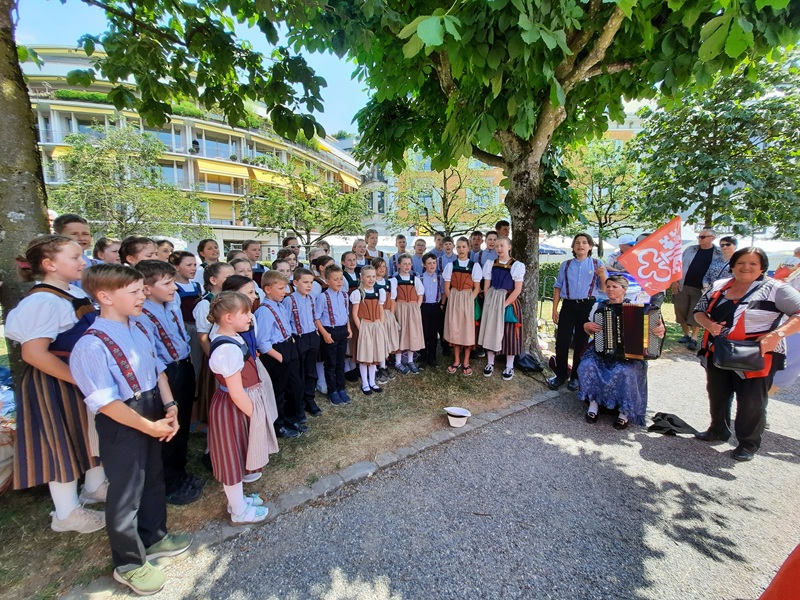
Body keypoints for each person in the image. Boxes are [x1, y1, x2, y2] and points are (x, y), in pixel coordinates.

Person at [70, 264, 192, 595]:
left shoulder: (138, 327)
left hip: (153, 407)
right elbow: (107, 404)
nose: (144, 295)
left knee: (153, 476)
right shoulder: (91, 346)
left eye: (143, 289)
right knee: (126, 491)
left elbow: (157, 370)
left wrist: (170, 406)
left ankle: (154, 536)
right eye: (135, 292)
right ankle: (128, 563)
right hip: (124, 418)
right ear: (105, 296)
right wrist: (148, 426)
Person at [5, 235, 107, 533]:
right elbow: (34, 353)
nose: (83, 262)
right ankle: (66, 513)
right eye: (74, 257)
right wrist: (78, 379)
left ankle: (95, 485)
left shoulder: (71, 294)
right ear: (49, 264)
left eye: (82, 256)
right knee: (60, 441)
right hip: (55, 382)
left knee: (89, 434)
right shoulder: (43, 302)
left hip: (78, 377)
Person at [693, 247, 800, 461]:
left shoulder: (775, 288)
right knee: (718, 393)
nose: (746, 267)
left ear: (763, 267)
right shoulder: (719, 286)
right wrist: (710, 326)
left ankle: (748, 443)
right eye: (741, 262)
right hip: (719, 351)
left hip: (756, 354)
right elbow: (698, 311)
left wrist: (777, 334)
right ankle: (718, 430)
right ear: (733, 265)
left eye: (753, 263)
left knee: (751, 400)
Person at [134, 260, 202, 505]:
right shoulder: (141, 315)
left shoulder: (170, 303)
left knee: (181, 423)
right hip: (164, 374)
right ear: (147, 288)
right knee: (169, 427)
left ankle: (180, 472)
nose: (174, 288)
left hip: (182, 365)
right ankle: (168, 483)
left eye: (173, 282)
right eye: (167, 283)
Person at [206, 291, 274, 525]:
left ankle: (239, 500)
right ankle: (238, 510)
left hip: (238, 405)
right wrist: (255, 416)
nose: (250, 317)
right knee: (232, 458)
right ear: (227, 317)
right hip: (235, 408)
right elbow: (235, 391)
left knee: (239, 453)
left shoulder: (233, 338)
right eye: (244, 312)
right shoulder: (228, 349)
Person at [578, 275, 666, 428]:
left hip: (630, 355)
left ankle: (624, 412)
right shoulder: (598, 307)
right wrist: (587, 326)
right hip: (601, 349)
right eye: (609, 286)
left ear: (624, 290)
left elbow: (656, 328)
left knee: (626, 371)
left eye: (614, 287)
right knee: (587, 365)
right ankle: (593, 405)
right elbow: (586, 325)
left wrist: (660, 329)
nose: (610, 290)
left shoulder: (639, 308)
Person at [548, 233, 607, 391]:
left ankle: (575, 376)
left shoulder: (597, 264)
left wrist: (602, 275)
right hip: (568, 305)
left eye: (584, 242)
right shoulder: (566, 265)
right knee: (562, 341)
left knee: (581, 342)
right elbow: (558, 287)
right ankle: (560, 374)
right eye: (577, 243)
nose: (580, 245)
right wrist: (554, 309)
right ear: (573, 247)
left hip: (587, 306)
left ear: (590, 246)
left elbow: (604, 289)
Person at [255, 270, 306, 438]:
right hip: (275, 353)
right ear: (268, 289)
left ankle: (291, 417)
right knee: (278, 391)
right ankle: (278, 426)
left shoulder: (279, 305)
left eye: (285, 288)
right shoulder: (263, 311)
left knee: (295, 386)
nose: (285, 291)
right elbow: (262, 342)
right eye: (281, 288)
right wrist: (280, 357)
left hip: (287, 347)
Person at [478, 236, 525, 380]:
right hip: (492, 299)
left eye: (502, 246)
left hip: (508, 300)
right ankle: (490, 362)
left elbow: (517, 289)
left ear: (509, 247)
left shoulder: (517, 265)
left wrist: (504, 304)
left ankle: (509, 365)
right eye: (497, 246)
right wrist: (488, 301)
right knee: (490, 330)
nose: (499, 248)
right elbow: (486, 284)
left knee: (509, 332)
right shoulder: (490, 263)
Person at [193, 262, 235, 425]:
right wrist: (214, 359)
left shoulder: (229, 298)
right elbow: (203, 336)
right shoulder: (205, 304)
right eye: (228, 277)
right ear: (213, 280)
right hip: (217, 357)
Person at [672, 229, 723, 351]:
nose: (700, 239)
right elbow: (677, 265)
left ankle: (694, 338)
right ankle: (686, 335)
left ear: (712, 238)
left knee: (696, 313)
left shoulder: (718, 253)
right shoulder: (690, 249)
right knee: (680, 311)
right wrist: (674, 281)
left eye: (703, 237)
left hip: (702, 289)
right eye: (699, 236)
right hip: (683, 285)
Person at [284, 268, 323, 417]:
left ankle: (310, 399)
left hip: (312, 337)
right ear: (295, 283)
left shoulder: (311, 298)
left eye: (311, 282)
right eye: (305, 282)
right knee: (299, 373)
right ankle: (299, 404)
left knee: (311, 371)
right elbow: (286, 322)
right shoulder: (289, 300)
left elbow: (314, 317)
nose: (309, 286)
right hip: (298, 338)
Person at [314, 265, 353, 406]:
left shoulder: (344, 295)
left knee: (340, 362)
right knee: (330, 363)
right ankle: (332, 391)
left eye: (341, 279)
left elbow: (346, 314)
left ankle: (341, 388)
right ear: (327, 280)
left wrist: (349, 328)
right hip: (330, 332)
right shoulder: (322, 297)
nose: (339, 282)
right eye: (335, 279)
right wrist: (325, 334)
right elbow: (316, 318)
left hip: (342, 330)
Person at [443, 237, 483, 376]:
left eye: (463, 247)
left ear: (468, 248)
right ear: (456, 249)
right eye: (458, 247)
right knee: (455, 329)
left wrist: (468, 300)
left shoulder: (474, 266)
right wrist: (452, 300)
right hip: (454, 299)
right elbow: (447, 287)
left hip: (467, 298)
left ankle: (466, 361)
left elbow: (477, 288)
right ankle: (456, 360)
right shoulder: (450, 265)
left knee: (466, 331)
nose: (461, 249)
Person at [350, 265, 389, 394]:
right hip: (365, 326)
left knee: (374, 355)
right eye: (368, 276)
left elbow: (381, 311)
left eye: (373, 276)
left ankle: (373, 382)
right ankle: (365, 383)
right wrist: (361, 328)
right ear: (362, 278)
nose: (371, 279)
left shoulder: (379, 292)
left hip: (376, 325)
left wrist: (381, 325)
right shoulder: (358, 293)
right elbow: (354, 314)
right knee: (365, 356)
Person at [391, 253, 425, 374]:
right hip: (400, 308)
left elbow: (420, 295)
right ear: (399, 265)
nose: (407, 266)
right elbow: (393, 299)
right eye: (404, 264)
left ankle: (410, 360)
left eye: (409, 264)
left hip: (413, 308)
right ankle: (398, 362)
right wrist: (394, 312)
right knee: (401, 335)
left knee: (412, 334)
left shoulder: (415, 279)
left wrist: (416, 307)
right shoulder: (394, 280)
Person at [373, 257, 399, 384]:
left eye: (383, 266)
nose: (382, 269)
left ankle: (384, 366)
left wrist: (392, 316)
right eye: (378, 267)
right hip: (376, 316)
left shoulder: (389, 283)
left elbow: (392, 301)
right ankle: (377, 368)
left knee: (386, 341)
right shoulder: (372, 283)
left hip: (387, 314)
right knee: (378, 342)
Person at [420, 252, 445, 368]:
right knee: (424, 332)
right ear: (424, 265)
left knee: (433, 333)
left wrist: (442, 304)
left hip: (435, 306)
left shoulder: (440, 277)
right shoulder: (419, 277)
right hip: (424, 306)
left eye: (434, 263)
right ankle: (423, 357)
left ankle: (433, 357)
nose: (432, 265)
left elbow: (443, 292)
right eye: (429, 263)